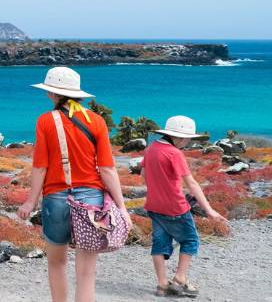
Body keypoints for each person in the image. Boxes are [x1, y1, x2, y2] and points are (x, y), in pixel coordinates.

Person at [16, 66, 130, 302]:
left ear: (54, 94)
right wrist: (122, 207)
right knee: (86, 272)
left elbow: (40, 167)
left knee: (57, 263)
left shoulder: (45, 121)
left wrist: (30, 201)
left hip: (56, 199)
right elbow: (107, 169)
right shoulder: (97, 121)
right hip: (91, 201)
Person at [144, 115, 228, 298]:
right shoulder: (175, 153)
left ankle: (162, 285)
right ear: (179, 137)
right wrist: (209, 210)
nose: (189, 142)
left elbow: (145, 172)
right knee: (190, 240)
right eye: (188, 138)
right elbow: (192, 183)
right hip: (175, 207)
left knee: (159, 244)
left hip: (154, 205)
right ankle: (180, 278)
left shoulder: (151, 149)